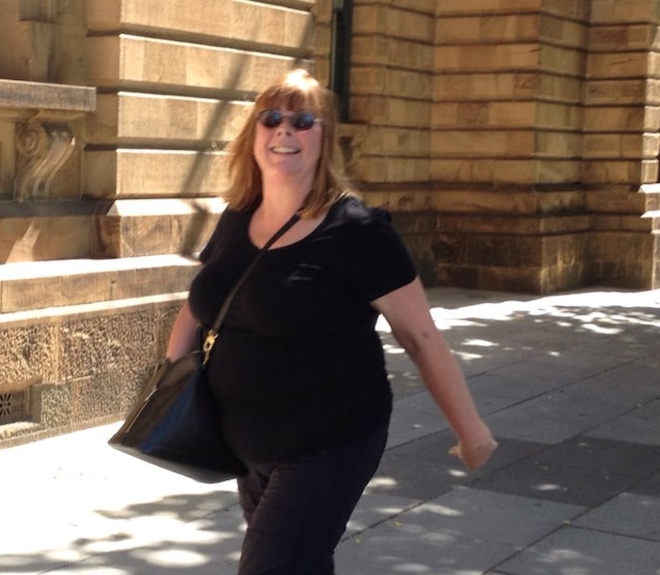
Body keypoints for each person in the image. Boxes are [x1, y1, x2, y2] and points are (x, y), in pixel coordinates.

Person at [164, 69, 497, 574]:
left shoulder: (359, 230)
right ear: (253, 133)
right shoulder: (237, 216)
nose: (284, 132)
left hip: (329, 440)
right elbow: (199, 304)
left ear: (325, 137)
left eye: (303, 121)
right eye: (271, 118)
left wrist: (470, 431)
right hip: (245, 443)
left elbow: (421, 336)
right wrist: (173, 389)